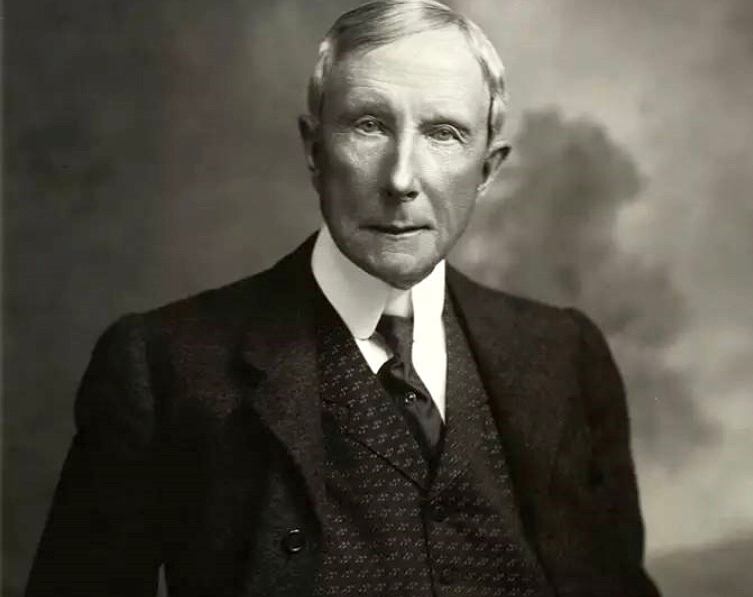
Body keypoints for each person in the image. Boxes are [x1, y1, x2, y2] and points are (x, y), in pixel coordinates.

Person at [26, 1, 660, 596]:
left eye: (443, 133)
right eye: (369, 125)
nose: (401, 179)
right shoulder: (162, 368)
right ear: (313, 148)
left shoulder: (566, 356)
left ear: (488, 169)